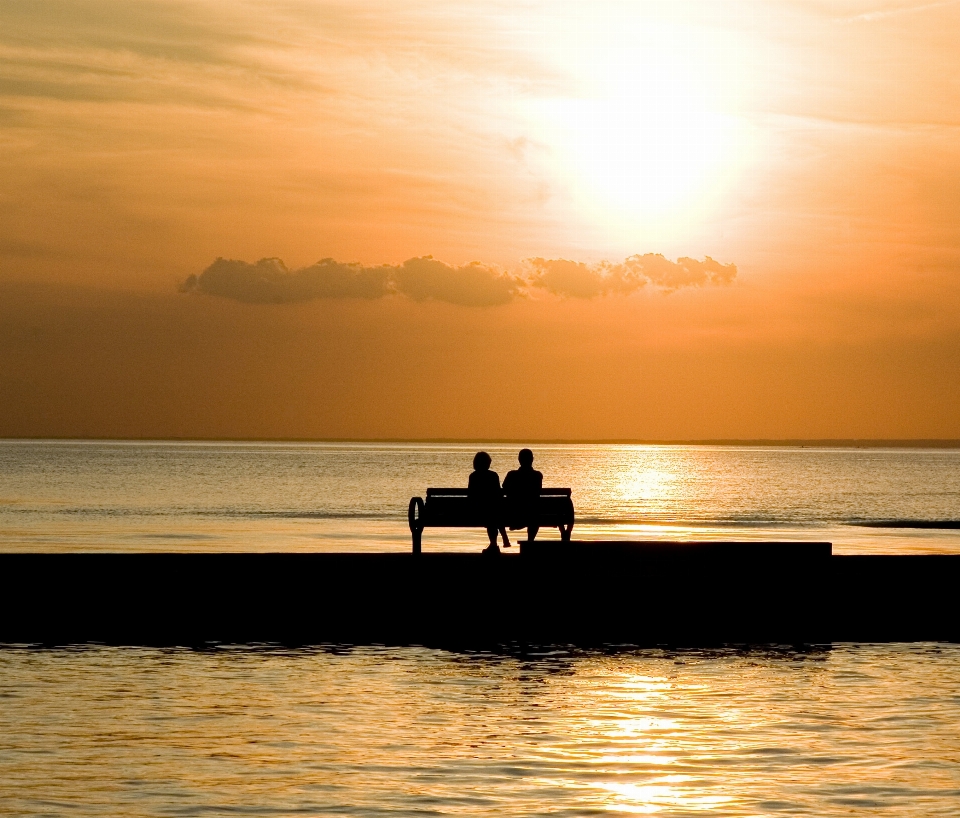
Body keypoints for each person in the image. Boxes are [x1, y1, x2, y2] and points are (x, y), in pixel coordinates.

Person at [468, 451, 510, 553]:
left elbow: (470, 496)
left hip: (477, 510)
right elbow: (498, 494)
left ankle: (494, 544)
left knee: (491, 513)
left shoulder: (473, 476)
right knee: (494, 511)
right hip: (492, 510)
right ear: (488, 463)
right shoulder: (493, 475)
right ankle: (502, 538)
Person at [503, 448, 543, 543]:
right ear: (532, 459)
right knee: (534, 514)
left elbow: (504, 489)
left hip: (512, 512)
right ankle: (530, 541)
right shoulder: (537, 475)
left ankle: (498, 542)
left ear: (519, 460)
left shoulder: (511, 475)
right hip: (531, 512)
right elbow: (537, 492)